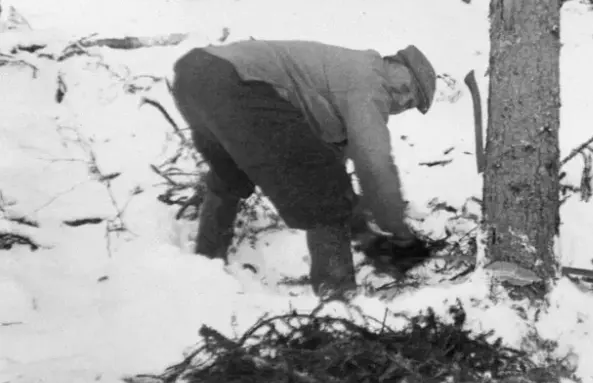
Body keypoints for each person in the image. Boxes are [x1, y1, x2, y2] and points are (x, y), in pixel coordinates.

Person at [170, 39, 437, 297]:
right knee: (327, 200)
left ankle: (204, 268)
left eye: (411, 103)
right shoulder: (369, 79)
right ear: (392, 63)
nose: (404, 100)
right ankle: (339, 302)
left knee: (230, 175)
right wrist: (398, 231)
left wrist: (366, 231)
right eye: (407, 86)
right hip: (235, 81)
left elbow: (328, 163)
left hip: (194, 76)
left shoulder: (337, 84)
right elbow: (373, 163)